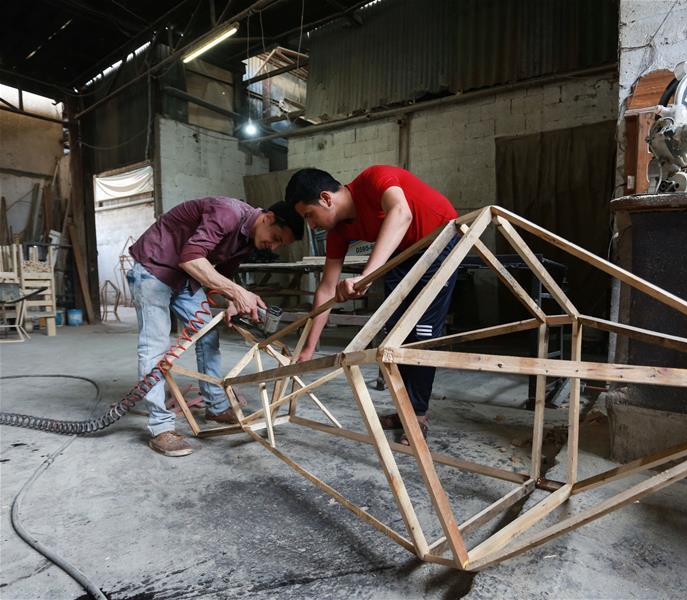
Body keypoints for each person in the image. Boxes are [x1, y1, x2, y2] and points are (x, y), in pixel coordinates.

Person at [284, 166, 458, 444]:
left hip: (439, 238)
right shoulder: (339, 232)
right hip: (403, 251)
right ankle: (405, 410)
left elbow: (401, 212)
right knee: (396, 333)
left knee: (421, 333)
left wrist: (367, 276)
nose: (312, 226)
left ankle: (417, 415)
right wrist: (308, 349)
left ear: (326, 198)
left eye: (309, 215)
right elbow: (326, 288)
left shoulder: (373, 178)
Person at [128, 196, 304, 457]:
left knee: (208, 333)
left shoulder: (249, 239)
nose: (274, 246)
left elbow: (224, 273)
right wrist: (237, 292)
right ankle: (160, 427)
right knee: (155, 345)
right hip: (153, 267)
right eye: (276, 237)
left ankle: (216, 406)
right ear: (267, 218)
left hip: (184, 276)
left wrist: (232, 300)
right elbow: (191, 258)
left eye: (280, 244)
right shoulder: (228, 213)